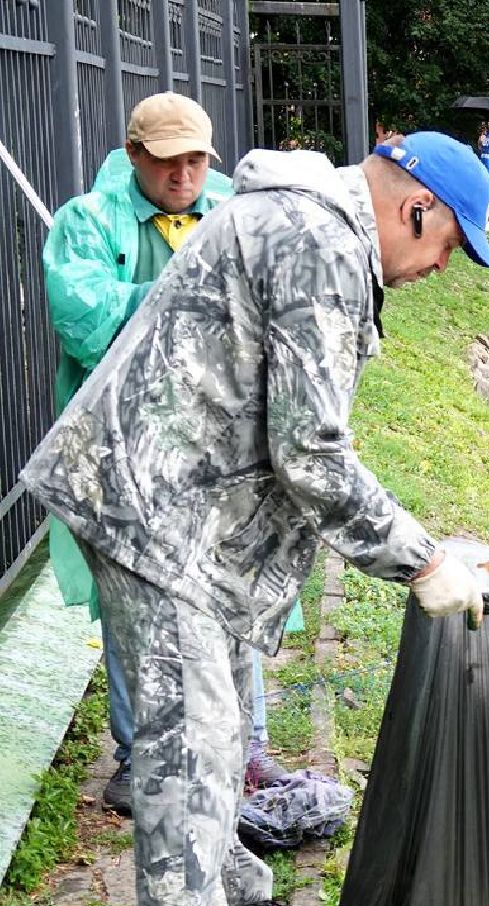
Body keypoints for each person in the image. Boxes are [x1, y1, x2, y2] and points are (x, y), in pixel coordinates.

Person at [21, 129, 489, 906]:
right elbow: (310, 451)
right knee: (187, 764)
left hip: (187, 515)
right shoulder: (319, 242)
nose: (444, 267)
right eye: (450, 245)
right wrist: (419, 559)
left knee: (225, 725)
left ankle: (231, 902)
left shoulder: (310, 225)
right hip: (154, 516)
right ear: (417, 209)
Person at [41, 91, 299, 817]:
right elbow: (86, 325)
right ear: (134, 158)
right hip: (128, 450)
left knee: (234, 589)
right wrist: (191, 287)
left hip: (222, 446)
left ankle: (246, 751)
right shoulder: (84, 224)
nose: (184, 175)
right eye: (167, 162)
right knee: (136, 605)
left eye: (196, 159)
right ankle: (139, 756)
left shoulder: (232, 206)